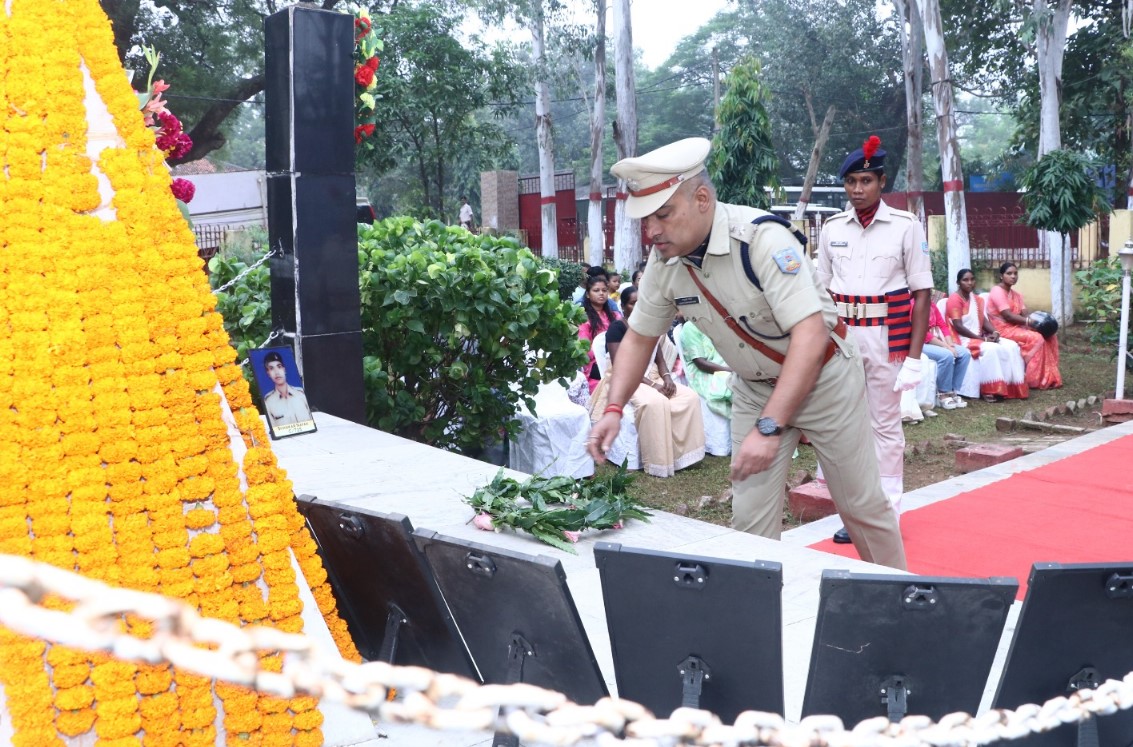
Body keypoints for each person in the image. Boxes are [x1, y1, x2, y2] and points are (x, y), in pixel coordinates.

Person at [588, 137, 906, 570]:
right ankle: (753, 609)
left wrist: (769, 428)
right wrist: (613, 408)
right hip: (756, 388)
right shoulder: (665, 265)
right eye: (646, 219)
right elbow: (639, 338)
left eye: (663, 214)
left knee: (861, 507)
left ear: (702, 199)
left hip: (825, 380)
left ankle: (900, 596)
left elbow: (811, 336)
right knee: (749, 522)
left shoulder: (761, 240)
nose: (653, 230)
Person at [817, 135, 932, 545]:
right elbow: (820, 289)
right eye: (851, 182)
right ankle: (854, 514)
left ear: (882, 182)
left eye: (866, 181)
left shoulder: (905, 226)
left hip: (886, 337)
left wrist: (914, 358)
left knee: (884, 427)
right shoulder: (832, 228)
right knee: (846, 428)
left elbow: (922, 294)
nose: (857, 189)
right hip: (842, 339)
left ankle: (886, 514)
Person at [589, 286, 705, 477]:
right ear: (623, 306)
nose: (637, 307)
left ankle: (682, 456)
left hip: (651, 376)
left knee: (690, 397)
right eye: (632, 303)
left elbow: (659, 359)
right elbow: (620, 367)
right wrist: (653, 386)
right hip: (624, 380)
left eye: (641, 303)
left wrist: (667, 378)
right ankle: (657, 462)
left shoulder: (650, 326)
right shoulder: (617, 328)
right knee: (654, 402)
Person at [946, 268, 1028, 401]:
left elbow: (983, 320)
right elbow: (958, 326)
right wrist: (982, 339)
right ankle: (990, 390)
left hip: (978, 336)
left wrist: (995, 332)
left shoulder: (975, 299)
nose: (970, 283)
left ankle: (1011, 388)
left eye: (972, 279)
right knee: (992, 348)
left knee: (1011, 346)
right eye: (965, 280)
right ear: (958, 282)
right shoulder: (954, 299)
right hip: (963, 339)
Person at [986, 262, 1062, 390]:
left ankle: (1049, 375)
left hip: (1017, 326)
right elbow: (1008, 316)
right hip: (1002, 329)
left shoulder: (1016, 295)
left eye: (1015, 273)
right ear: (1001, 276)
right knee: (1036, 338)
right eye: (1009, 273)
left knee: (1049, 335)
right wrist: (1029, 322)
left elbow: (1025, 314)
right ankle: (1034, 379)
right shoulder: (997, 291)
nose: (1013, 276)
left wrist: (1038, 323)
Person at [919, 298, 971, 410]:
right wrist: (946, 347)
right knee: (947, 355)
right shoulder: (914, 304)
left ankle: (953, 390)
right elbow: (923, 333)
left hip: (936, 340)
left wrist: (950, 344)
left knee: (964, 353)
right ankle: (942, 393)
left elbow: (942, 325)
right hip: (919, 343)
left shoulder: (931, 305)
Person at [680, 318, 733, 418]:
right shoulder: (690, 327)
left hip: (724, 364)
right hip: (704, 371)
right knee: (737, 383)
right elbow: (701, 363)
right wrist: (731, 371)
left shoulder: (715, 321)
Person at [577, 274, 621, 394]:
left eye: (604, 290)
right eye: (596, 290)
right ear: (588, 294)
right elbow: (585, 348)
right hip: (595, 363)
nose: (601, 293)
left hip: (617, 359)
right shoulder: (583, 318)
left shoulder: (615, 315)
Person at [262, 351, 313, 428]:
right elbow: (274, 430)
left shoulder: (301, 394)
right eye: (271, 368)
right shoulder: (268, 402)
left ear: (284, 369)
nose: (277, 372)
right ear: (268, 373)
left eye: (279, 367)